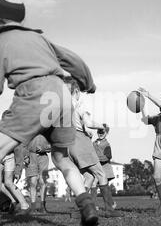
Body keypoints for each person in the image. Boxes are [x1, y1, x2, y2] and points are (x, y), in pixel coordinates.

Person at [0, 0, 98, 226]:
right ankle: (86, 204)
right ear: (22, 19)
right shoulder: (40, 40)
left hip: (35, 92)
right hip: (61, 94)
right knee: (61, 157)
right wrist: (88, 83)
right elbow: (73, 60)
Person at [64, 77, 123, 218]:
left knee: (88, 177)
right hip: (81, 142)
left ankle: (80, 210)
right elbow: (88, 123)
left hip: (69, 144)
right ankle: (109, 209)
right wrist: (101, 126)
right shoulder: (79, 105)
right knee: (101, 174)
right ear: (77, 91)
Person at [91, 126, 117, 210]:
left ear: (106, 133)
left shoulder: (106, 144)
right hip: (96, 166)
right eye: (99, 132)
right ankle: (94, 205)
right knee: (93, 183)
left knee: (104, 186)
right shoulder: (94, 143)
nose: (100, 134)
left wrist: (98, 158)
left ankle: (111, 203)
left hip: (105, 167)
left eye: (103, 132)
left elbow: (108, 156)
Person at [25, 135, 51, 213]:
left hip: (43, 157)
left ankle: (43, 206)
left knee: (43, 182)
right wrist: (25, 156)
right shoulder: (30, 128)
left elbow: (52, 145)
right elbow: (23, 142)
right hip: (31, 156)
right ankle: (33, 207)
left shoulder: (47, 130)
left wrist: (43, 148)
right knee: (33, 182)